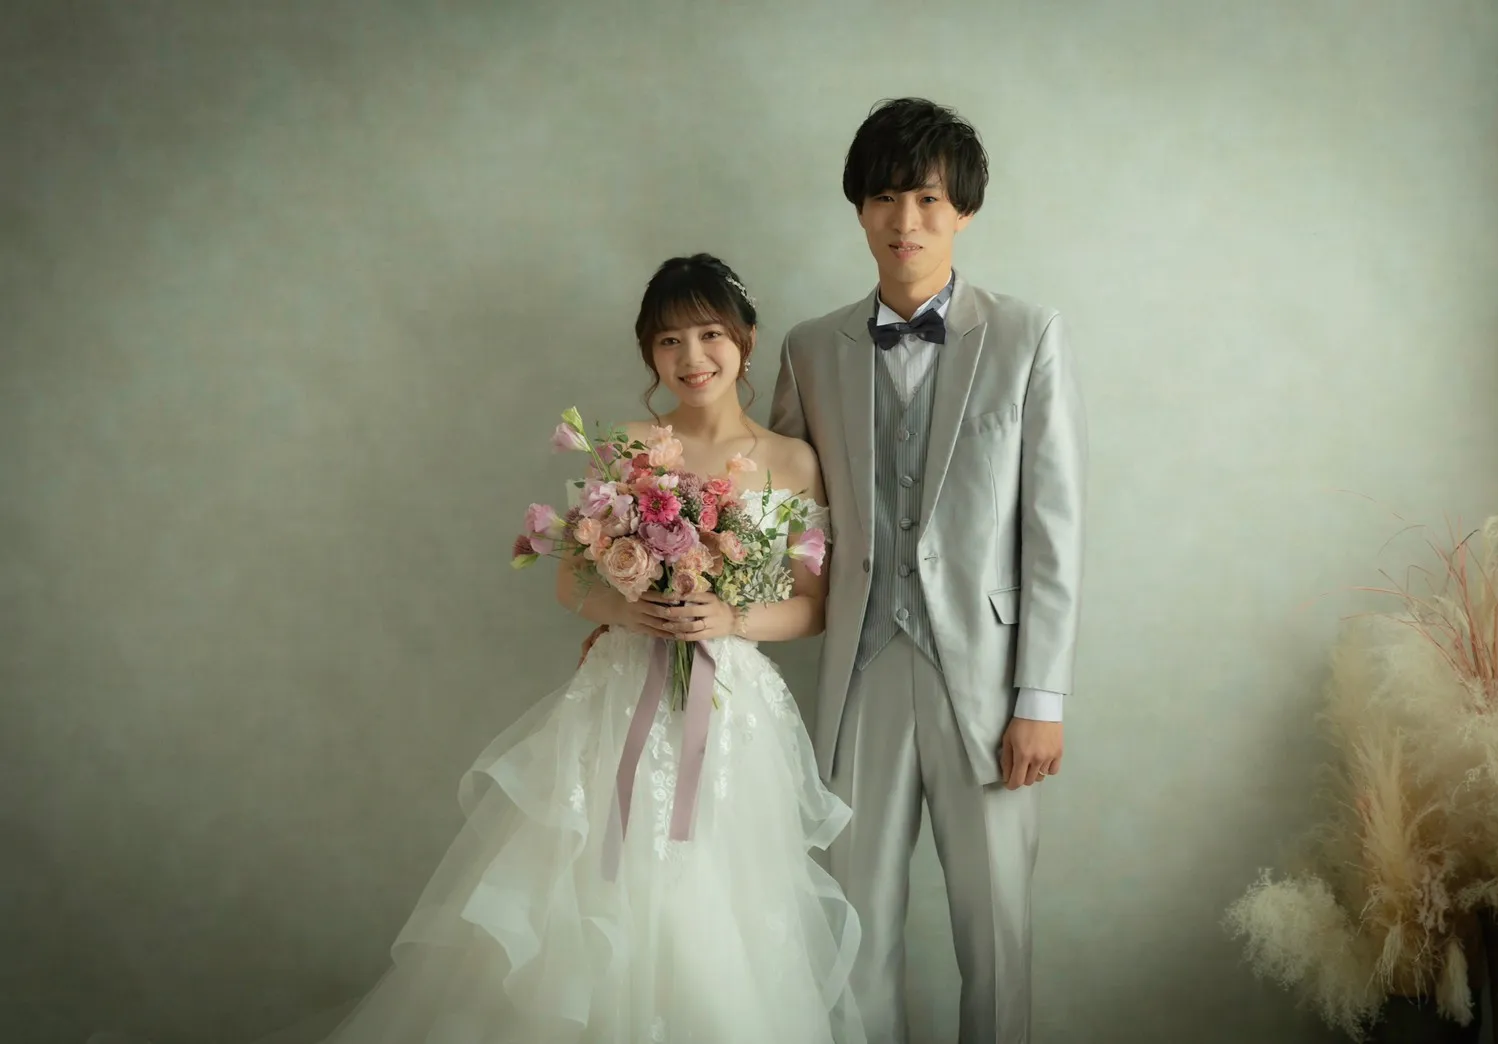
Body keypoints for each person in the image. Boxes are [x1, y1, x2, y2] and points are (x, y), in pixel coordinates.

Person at [315, 254, 865, 1044]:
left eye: (710, 334)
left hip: (733, 713)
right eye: (669, 341)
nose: (693, 357)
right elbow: (572, 586)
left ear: (746, 339)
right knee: (600, 881)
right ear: (649, 353)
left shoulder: (791, 460)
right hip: (620, 693)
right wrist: (635, 608)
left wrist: (727, 617)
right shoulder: (628, 446)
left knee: (722, 899)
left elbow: (812, 607)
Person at [768, 97, 1088, 1043]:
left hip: (988, 683)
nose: (904, 221)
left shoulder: (1028, 334)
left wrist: (1042, 698)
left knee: (997, 935)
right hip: (860, 670)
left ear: (964, 212)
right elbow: (779, 518)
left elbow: (1055, 528)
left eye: (927, 199)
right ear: (859, 210)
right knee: (854, 933)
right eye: (884, 199)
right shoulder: (809, 349)